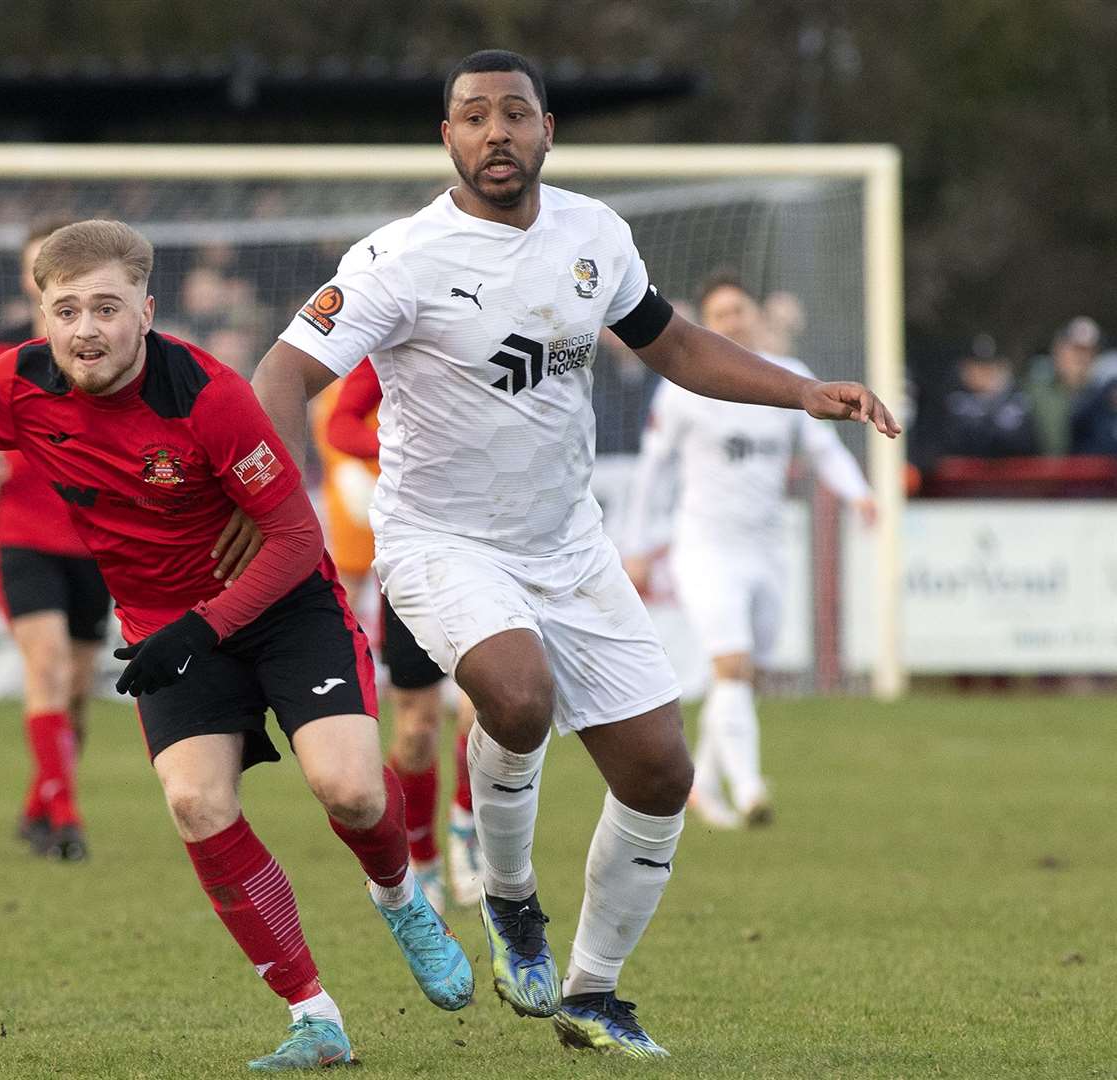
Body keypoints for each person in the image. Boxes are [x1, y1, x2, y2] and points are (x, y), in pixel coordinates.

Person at [245, 50, 899, 1058]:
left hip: (568, 541)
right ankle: (509, 898)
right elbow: (282, 373)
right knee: (518, 695)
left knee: (658, 774)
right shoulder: (399, 259)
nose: (495, 132)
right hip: (439, 540)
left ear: (549, 130)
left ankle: (592, 996)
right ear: (447, 138)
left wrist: (800, 390)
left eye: (516, 114)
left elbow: (672, 344)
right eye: (473, 117)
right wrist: (277, 504)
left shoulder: (595, 233)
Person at [0, 219, 471, 1070]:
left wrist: (203, 627)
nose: (85, 328)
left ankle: (398, 897)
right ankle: (313, 1016)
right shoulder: (18, 383)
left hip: (282, 611)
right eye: (66, 310)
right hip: (166, 632)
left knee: (349, 791)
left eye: (106, 307)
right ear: (43, 318)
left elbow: (289, 537)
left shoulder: (205, 396)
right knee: (196, 805)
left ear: (146, 310)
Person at [622, 271, 876, 830]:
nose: (732, 322)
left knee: (740, 677)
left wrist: (860, 496)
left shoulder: (793, 380)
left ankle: (703, 784)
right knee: (731, 666)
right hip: (705, 548)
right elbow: (651, 471)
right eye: (719, 316)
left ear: (755, 314)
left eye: (739, 310)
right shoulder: (682, 388)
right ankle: (752, 788)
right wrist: (638, 546)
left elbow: (823, 449)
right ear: (706, 326)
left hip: (768, 549)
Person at [0, 220, 111, 861]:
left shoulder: (115, 351)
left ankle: (37, 803)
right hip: (23, 536)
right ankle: (66, 820)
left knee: (75, 693)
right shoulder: (2, 351)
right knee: (43, 667)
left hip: (98, 543)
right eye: (34, 266)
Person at [324, 358, 482, 912]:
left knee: (485, 710)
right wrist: (396, 445)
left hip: (489, 548)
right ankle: (423, 858)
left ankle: (467, 829)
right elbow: (339, 423)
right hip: (412, 556)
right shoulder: (395, 344)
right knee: (415, 729)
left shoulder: (503, 331)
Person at [1023, 316, 1102, 455]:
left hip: (1094, 474)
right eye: (1075, 350)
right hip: (1046, 473)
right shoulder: (1033, 393)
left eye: (1087, 351)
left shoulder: (1103, 396)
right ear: (1057, 350)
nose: (1081, 358)